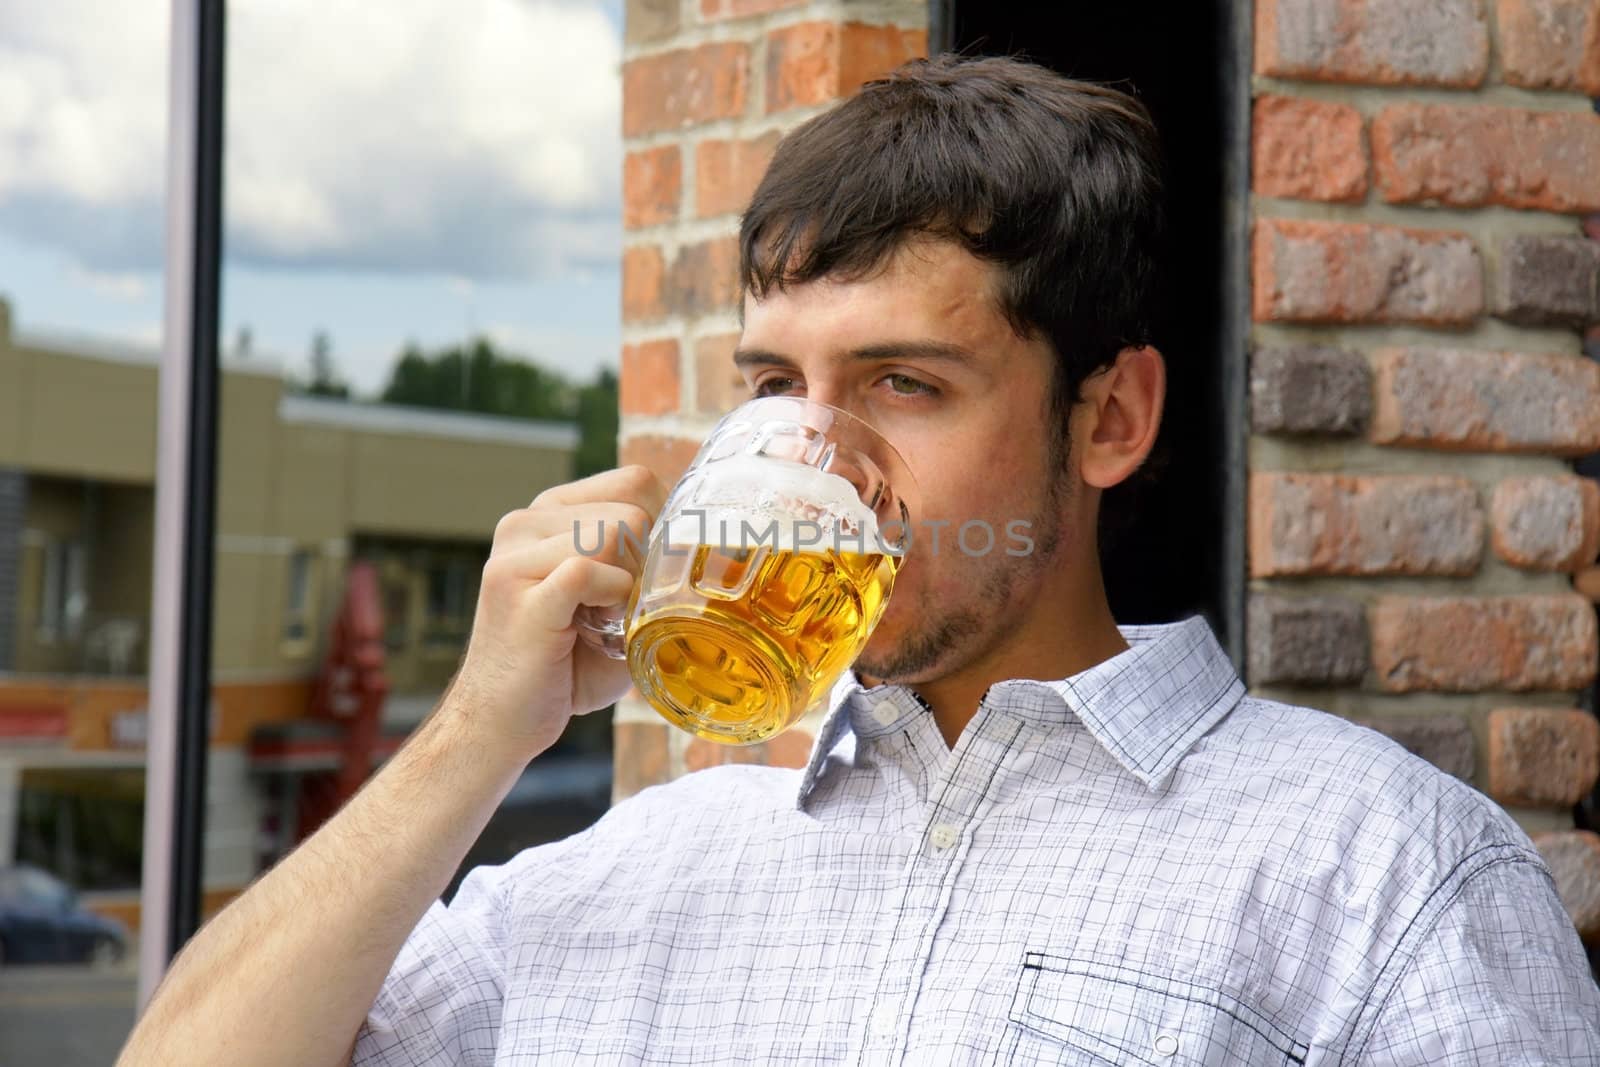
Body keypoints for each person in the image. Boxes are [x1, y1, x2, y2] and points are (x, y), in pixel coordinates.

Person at [119, 55, 1600, 1066]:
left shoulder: (1395, 873)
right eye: (776, 389)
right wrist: (472, 737)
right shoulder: (632, 866)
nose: (818, 462)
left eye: (904, 384)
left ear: (1113, 418)